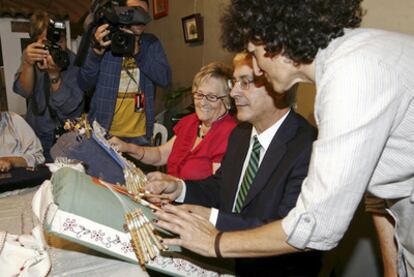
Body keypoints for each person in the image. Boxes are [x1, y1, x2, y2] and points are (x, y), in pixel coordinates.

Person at [150, 1, 414, 276]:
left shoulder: (352, 78)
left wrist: (213, 242)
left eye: (254, 54)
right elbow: (383, 196)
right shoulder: (349, 62)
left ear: (274, 41)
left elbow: (317, 226)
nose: (258, 68)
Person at [145, 52, 320, 276]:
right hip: (225, 259)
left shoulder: (307, 146)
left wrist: (211, 217)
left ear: (279, 86)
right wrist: (179, 187)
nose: (234, 92)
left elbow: (286, 230)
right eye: (234, 82)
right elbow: (220, 187)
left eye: (245, 83)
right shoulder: (241, 134)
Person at [109, 62, 237, 180]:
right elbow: (159, 155)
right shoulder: (190, 122)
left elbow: (214, 190)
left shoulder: (230, 133)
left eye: (212, 97)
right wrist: (127, 147)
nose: (203, 102)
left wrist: (170, 183)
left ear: (227, 101)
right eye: (199, 94)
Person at [78, 0, 171, 146]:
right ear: (122, 13)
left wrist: (139, 53)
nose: (141, 17)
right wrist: (95, 53)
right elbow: (84, 83)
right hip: (105, 131)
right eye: (135, 11)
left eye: (145, 12)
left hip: (140, 134)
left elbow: (164, 79)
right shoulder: (107, 41)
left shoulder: (151, 43)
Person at [13, 11, 84, 162]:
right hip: (36, 135)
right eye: (48, 42)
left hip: (67, 137)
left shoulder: (75, 63)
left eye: (60, 40)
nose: (56, 47)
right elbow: (23, 91)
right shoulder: (32, 59)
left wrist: (54, 76)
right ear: (36, 43)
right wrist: (27, 64)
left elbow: (70, 108)